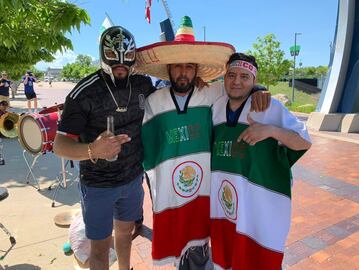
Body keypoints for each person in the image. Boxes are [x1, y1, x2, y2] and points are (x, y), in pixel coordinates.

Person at [137, 16, 270, 269]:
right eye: (177, 66)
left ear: (197, 70)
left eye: (189, 66)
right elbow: (148, 148)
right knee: (179, 241)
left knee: (200, 242)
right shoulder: (155, 101)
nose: (183, 72)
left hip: (205, 188)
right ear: (169, 69)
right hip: (171, 190)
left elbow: (239, 86)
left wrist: (260, 89)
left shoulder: (211, 93)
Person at [53, 26, 154, 270]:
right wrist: (93, 150)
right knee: (99, 246)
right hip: (98, 184)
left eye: (127, 56)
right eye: (113, 54)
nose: (120, 62)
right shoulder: (84, 92)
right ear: (102, 53)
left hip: (132, 179)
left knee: (125, 233)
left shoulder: (142, 83)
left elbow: (175, 94)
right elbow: (59, 145)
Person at [210, 53, 312, 269]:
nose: (237, 81)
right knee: (227, 259)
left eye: (245, 77)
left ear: (254, 81)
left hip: (260, 207)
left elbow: (304, 142)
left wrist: (271, 130)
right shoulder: (216, 108)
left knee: (258, 261)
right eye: (232, 75)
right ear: (224, 78)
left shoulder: (269, 107)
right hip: (225, 209)